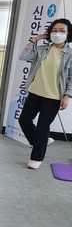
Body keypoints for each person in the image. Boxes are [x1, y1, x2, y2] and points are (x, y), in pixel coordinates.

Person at [18, 18, 72, 169]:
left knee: (43, 126)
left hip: (54, 96)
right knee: (24, 120)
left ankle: (36, 157)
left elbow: (71, 78)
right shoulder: (42, 49)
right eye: (54, 30)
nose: (58, 33)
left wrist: (67, 96)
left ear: (68, 34)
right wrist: (35, 39)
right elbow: (23, 56)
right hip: (35, 91)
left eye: (62, 31)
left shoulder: (70, 54)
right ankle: (42, 141)